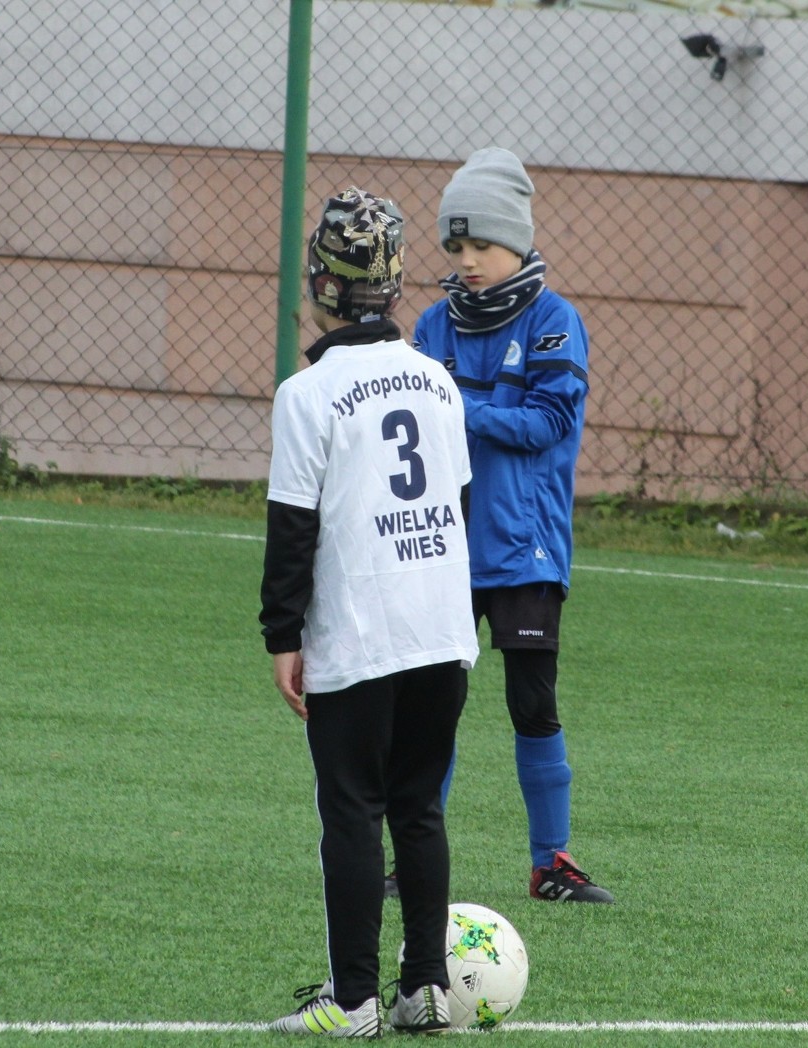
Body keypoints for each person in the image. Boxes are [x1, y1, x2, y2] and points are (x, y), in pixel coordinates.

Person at [259, 187, 479, 1036]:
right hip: (440, 632)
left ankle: (351, 1000)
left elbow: (293, 531)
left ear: (321, 281)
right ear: (393, 286)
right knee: (420, 805)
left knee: (352, 807)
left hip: (359, 633)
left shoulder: (307, 393)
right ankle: (423, 987)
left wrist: (283, 635)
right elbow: (454, 509)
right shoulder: (437, 381)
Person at [410, 147, 613, 905]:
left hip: (524, 550)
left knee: (534, 704)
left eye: (480, 246)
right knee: (433, 705)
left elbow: (548, 422)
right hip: (443, 548)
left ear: (519, 242)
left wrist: (460, 410)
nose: (466, 261)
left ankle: (550, 862)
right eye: (455, 248)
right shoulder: (433, 324)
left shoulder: (557, 321)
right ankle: (412, 855)